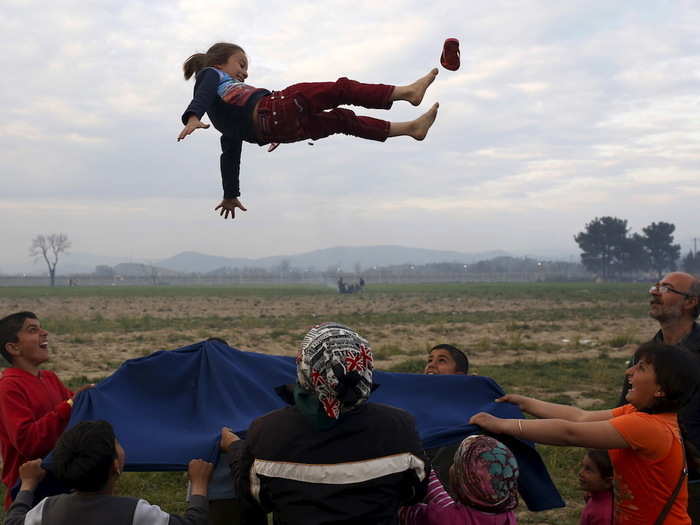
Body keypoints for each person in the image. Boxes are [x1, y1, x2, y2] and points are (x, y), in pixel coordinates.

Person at [178, 42, 440, 219]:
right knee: (341, 89)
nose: (245, 73)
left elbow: (230, 155)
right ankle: (406, 93)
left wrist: (230, 193)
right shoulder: (211, 74)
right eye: (241, 64)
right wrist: (192, 117)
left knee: (342, 120)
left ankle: (411, 128)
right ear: (220, 64)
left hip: (279, 130)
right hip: (276, 108)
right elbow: (201, 94)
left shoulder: (226, 118)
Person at [220, 322, 429, 524]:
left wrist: (237, 449)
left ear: (305, 366)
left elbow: (255, 499)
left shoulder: (266, 431)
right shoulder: (400, 426)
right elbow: (414, 492)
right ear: (365, 366)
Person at [470, 342, 699, 525]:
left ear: (661, 389)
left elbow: (571, 433)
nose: (628, 372)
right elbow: (581, 416)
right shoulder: (639, 414)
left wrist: (503, 425)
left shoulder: (646, 426)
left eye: (640, 368)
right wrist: (526, 403)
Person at [4, 420, 213, 524]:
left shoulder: (47, 510)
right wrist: (199, 484)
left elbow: (13, 521)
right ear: (116, 466)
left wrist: (28, 484)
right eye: (116, 443)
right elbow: (192, 523)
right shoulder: (136, 512)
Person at [618, 272, 700, 523]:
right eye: (656, 286)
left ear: (690, 302)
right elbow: (625, 409)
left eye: (665, 288)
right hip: (647, 475)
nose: (653, 292)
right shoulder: (647, 354)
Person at [0, 312, 92, 509]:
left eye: (41, 327)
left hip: (62, 482)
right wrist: (69, 405)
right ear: (13, 347)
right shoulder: (8, 387)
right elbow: (28, 442)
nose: (44, 333)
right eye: (33, 330)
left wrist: (89, 397)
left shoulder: (49, 377)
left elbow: (76, 412)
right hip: (30, 490)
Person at [399, 434, 518, 525]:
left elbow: (401, 511)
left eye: (455, 464)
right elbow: (443, 501)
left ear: (465, 485)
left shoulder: (440, 518)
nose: (452, 466)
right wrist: (426, 469)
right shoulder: (506, 516)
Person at [578, 449, 613, 525]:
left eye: (588, 469)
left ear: (608, 482)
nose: (580, 473)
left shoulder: (603, 516)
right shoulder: (595, 496)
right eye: (582, 466)